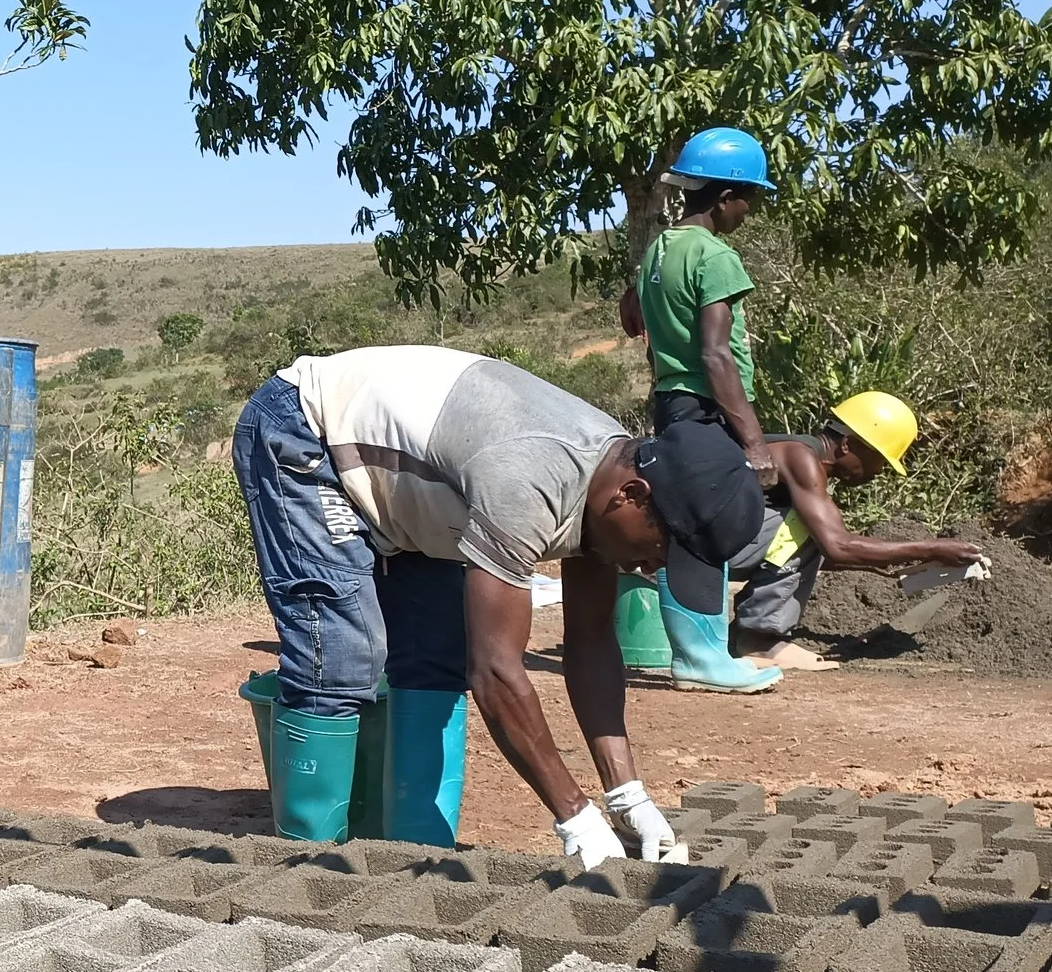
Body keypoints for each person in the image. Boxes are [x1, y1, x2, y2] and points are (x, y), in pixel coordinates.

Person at [233, 344, 764, 867]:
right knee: (341, 655)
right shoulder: (527, 481)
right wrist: (575, 815)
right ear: (632, 495)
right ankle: (305, 866)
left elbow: (591, 636)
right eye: (659, 550)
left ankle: (415, 856)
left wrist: (626, 794)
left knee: (436, 658)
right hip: (307, 432)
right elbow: (495, 672)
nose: (651, 568)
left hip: (416, 478)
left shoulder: (605, 485)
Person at [619, 126, 783, 693]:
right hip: (706, 409)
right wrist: (755, 445)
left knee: (687, 521)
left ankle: (703, 655)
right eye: (748, 199)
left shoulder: (660, 248)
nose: (748, 211)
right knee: (705, 528)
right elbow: (716, 355)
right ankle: (701, 659)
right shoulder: (714, 255)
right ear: (725, 195)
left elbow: (637, 321)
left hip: (671, 403)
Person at [734, 392, 987, 670]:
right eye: (879, 460)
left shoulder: (798, 453)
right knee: (804, 526)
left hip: (707, 544)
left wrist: (873, 561)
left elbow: (818, 551)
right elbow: (837, 546)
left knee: (813, 528)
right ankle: (759, 642)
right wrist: (933, 548)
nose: (878, 471)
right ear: (847, 445)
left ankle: (747, 635)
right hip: (703, 546)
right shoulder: (801, 458)